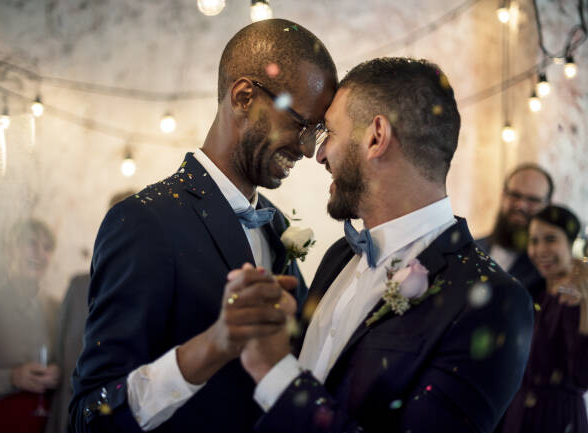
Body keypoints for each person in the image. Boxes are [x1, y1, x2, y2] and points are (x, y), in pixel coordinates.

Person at [229, 57, 534, 433]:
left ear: (376, 137)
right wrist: (276, 330)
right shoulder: (340, 256)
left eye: (331, 135)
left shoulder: (495, 302)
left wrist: (276, 372)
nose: (319, 154)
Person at [69, 19, 337, 433]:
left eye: (315, 133)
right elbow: (89, 415)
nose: (306, 149)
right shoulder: (144, 222)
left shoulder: (277, 226)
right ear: (244, 96)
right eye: (300, 124)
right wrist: (210, 347)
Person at [45, 191, 133, 433]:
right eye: (116, 218)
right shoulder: (78, 287)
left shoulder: (151, 292)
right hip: (68, 419)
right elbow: (57, 358)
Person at [502, 205, 588, 433]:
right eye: (534, 240)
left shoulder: (576, 297)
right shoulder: (537, 292)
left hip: (557, 419)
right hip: (520, 413)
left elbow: (582, 375)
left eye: (550, 239)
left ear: (572, 243)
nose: (540, 250)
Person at [0, 218, 60, 433]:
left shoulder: (57, 309)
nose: (40, 253)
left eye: (47, 247)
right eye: (31, 243)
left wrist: (59, 373)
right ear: (11, 249)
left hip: (44, 424)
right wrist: (11, 377)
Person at [476, 164, 554, 301]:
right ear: (503, 195)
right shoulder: (472, 247)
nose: (521, 205)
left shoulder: (549, 268)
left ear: (548, 205)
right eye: (515, 195)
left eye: (532, 200)